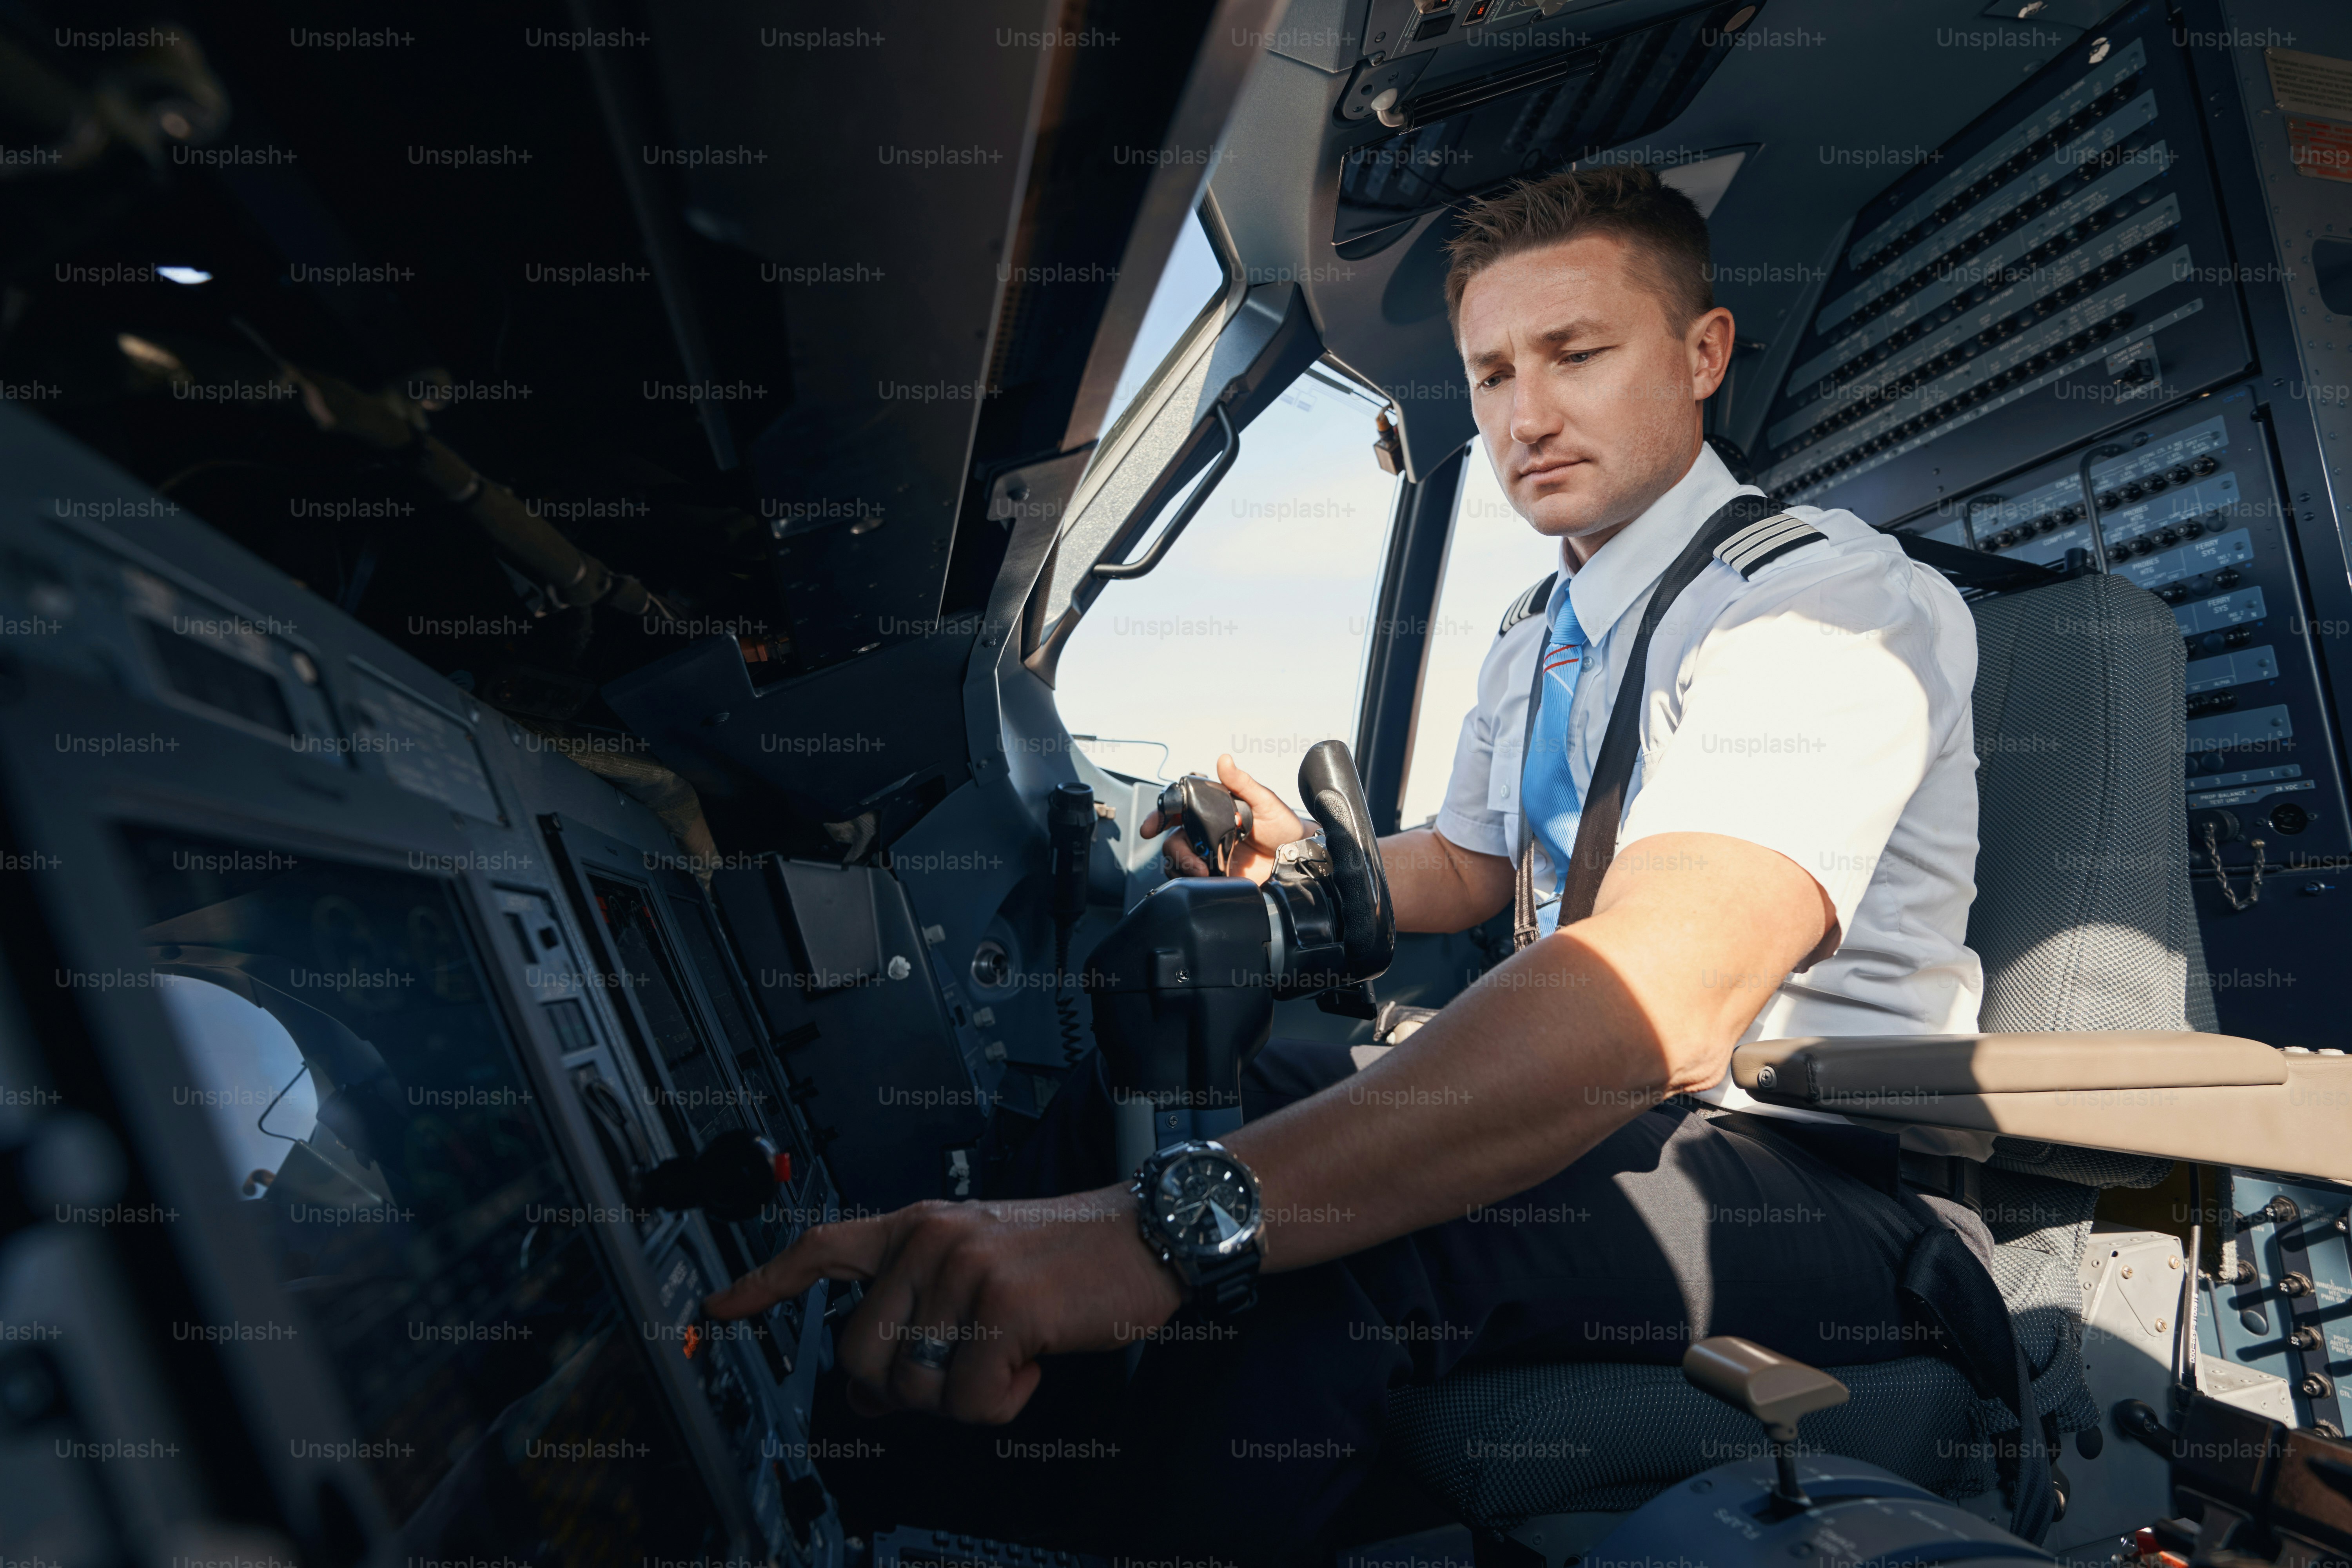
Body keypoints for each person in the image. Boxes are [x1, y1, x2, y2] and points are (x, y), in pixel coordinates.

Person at [704, 165, 1990, 1561]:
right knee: (1178, 1088)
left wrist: (1148, 1240)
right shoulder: (1541, 626)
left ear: (1702, 353)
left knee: (1345, 1243)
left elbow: (1660, 999)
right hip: (1640, 1124)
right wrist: (1317, 867)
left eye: (1577, 354)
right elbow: (1468, 863)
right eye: (1491, 372)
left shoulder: (1822, 605)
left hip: (1821, 1183)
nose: (1525, 414)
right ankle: (929, 1513)